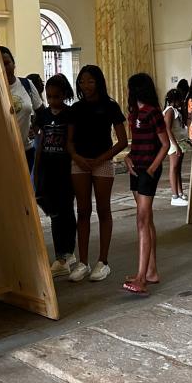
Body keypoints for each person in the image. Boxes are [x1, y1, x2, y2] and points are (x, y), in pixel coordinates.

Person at [66, 65, 128, 282]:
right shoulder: (75, 108)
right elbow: (69, 141)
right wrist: (77, 157)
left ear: (99, 82)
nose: (86, 85)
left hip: (102, 162)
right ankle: (83, 262)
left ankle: (103, 261)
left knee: (103, 210)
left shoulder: (110, 106)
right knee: (82, 211)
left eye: (90, 81)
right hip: (80, 163)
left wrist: (101, 159)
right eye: (82, 81)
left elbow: (122, 141)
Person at [123, 74, 170, 295]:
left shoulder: (153, 113)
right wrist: (128, 158)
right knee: (146, 219)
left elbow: (165, 144)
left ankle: (141, 277)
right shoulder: (134, 115)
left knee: (142, 220)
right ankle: (151, 271)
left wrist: (151, 169)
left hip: (147, 171)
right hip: (136, 168)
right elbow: (136, 144)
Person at [33, 74, 78, 277]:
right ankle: (61, 254)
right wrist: (37, 167)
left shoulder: (69, 114)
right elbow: (39, 142)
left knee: (66, 210)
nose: (52, 101)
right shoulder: (43, 116)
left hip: (65, 169)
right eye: (49, 97)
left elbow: (70, 140)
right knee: (54, 213)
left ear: (65, 95)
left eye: (57, 97)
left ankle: (67, 253)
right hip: (47, 168)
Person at [0, 47, 44, 173]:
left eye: (7, 63)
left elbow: (41, 111)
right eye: (0, 64)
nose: (5, 67)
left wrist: (34, 127)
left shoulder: (27, 84)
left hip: (26, 150)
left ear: (14, 64)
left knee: (24, 190)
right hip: (1, 151)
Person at [163, 89, 191, 206]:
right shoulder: (169, 111)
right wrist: (176, 146)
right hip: (175, 143)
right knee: (173, 168)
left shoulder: (176, 110)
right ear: (174, 100)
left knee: (177, 169)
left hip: (180, 142)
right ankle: (174, 195)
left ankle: (180, 193)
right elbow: (168, 129)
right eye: (180, 100)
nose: (182, 101)